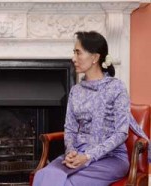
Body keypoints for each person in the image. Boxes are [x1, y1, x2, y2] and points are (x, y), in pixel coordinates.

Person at [33, 31, 148, 186]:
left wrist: (88, 156)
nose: (73, 58)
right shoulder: (76, 90)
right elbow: (70, 128)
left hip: (111, 158)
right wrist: (71, 152)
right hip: (79, 154)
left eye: (78, 53)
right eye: (74, 52)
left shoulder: (116, 87)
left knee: (69, 182)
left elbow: (121, 133)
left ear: (95, 57)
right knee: (43, 175)